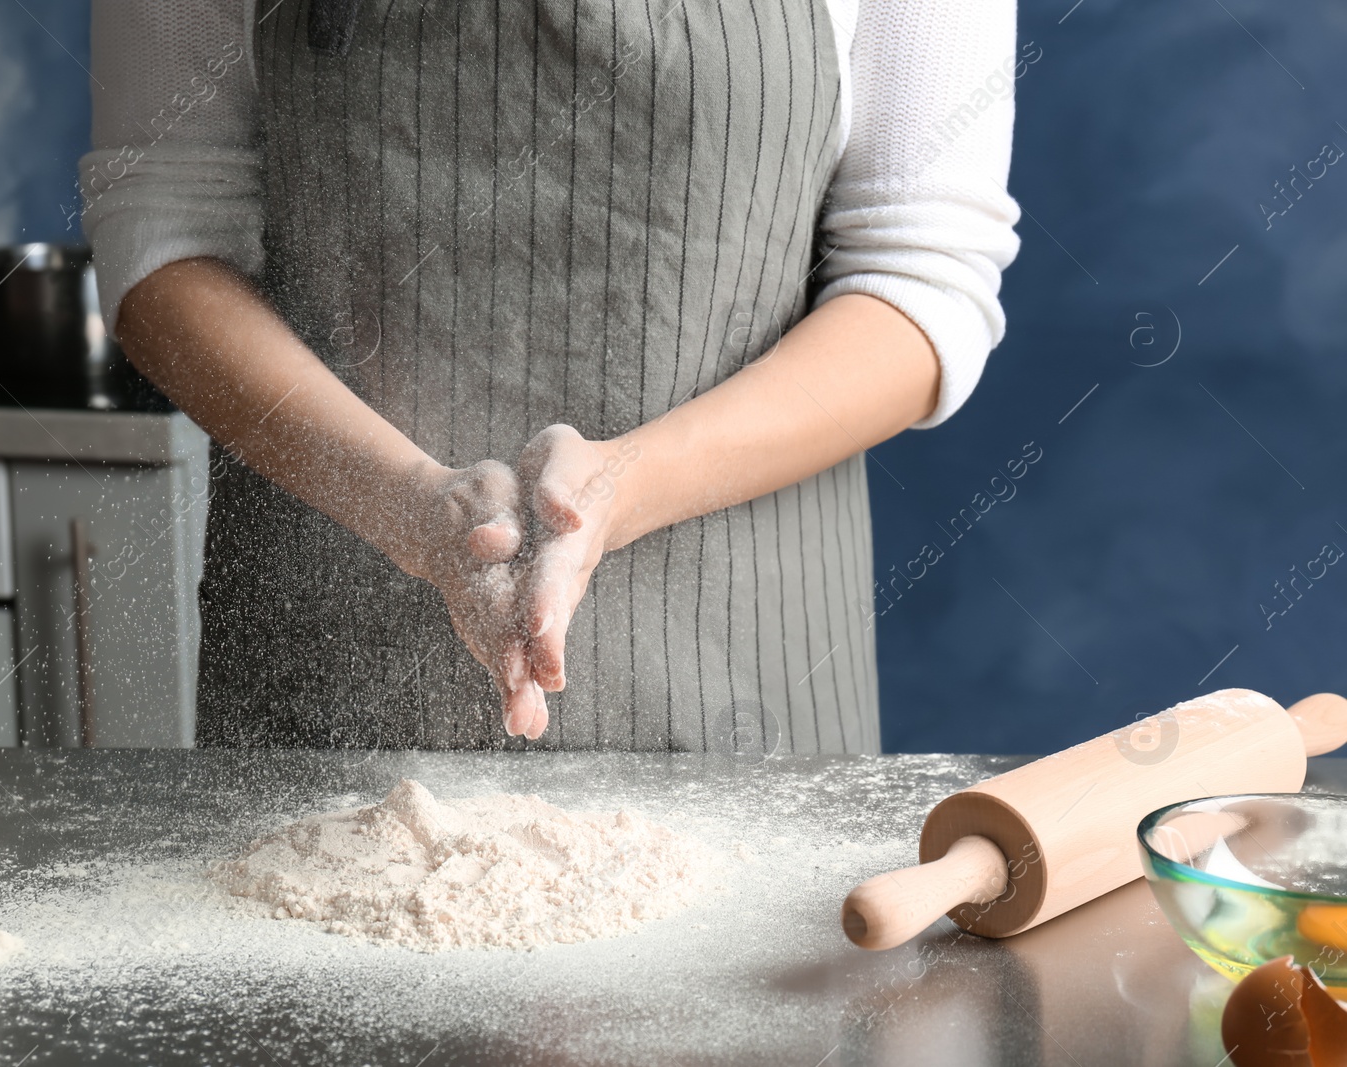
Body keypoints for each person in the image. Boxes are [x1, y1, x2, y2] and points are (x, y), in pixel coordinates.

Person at [82, 0, 1020, 754]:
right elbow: (166, 229)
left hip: (736, 687)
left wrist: (622, 488)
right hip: (327, 704)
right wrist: (409, 506)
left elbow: (918, 282)